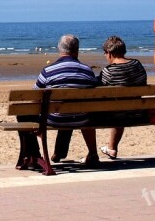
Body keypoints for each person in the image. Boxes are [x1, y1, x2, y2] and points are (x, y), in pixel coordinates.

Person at [17, 34, 100, 169]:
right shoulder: (87, 71)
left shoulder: (48, 71)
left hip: (54, 119)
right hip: (81, 118)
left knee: (23, 113)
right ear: (77, 50)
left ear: (59, 49)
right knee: (70, 108)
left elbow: (34, 97)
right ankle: (65, 152)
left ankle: (36, 154)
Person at [98, 36, 148, 159]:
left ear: (109, 53)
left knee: (116, 108)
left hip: (115, 115)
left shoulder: (108, 71)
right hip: (138, 112)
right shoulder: (137, 65)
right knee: (121, 105)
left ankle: (94, 153)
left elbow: (101, 92)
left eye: (105, 53)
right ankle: (112, 148)